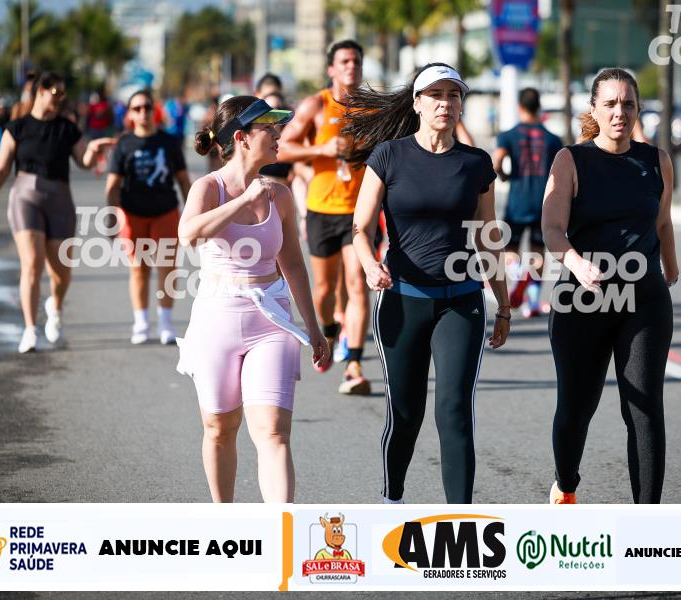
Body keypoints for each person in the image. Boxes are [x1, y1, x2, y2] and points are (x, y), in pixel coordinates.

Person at [345, 63, 511, 504]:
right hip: (403, 300)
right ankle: (393, 501)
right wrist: (369, 265)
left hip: (461, 301)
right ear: (417, 103)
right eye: (435, 95)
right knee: (406, 412)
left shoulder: (476, 163)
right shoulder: (389, 156)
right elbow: (360, 228)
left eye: (453, 95)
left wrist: (504, 304)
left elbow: (488, 237)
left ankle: (460, 520)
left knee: (454, 410)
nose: (445, 103)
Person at [177, 95, 328, 502]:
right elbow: (188, 234)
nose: (279, 135)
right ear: (241, 137)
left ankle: (280, 531)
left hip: (271, 318)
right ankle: (226, 522)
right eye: (269, 127)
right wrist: (243, 201)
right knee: (219, 428)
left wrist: (313, 328)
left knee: (274, 431)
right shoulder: (208, 188)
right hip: (217, 316)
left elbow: (292, 264)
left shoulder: (280, 194)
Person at [542, 68, 679, 505]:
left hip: (644, 299)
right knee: (576, 408)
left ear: (638, 109)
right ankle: (566, 485)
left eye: (628, 104)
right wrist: (576, 263)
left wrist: (670, 266)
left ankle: (647, 520)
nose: (620, 112)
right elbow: (552, 228)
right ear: (595, 109)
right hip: (582, 299)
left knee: (643, 408)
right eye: (611, 104)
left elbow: (662, 221)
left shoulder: (657, 160)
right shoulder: (571, 160)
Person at [0, 72, 116, 353]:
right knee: (32, 264)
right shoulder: (16, 128)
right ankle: (30, 329)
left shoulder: (67, 128)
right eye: (56, 93)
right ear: (40, 92)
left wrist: (93, 150)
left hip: (59, 199)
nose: (60, 98)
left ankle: (55, 307)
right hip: (25, 197)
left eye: (63, 93)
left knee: (61, 272)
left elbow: (84, 161)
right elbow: (1, 168)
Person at [277, 39, 372, 395]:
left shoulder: (370, 108)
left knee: (357, 283)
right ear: (331, 68)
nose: (351, 67)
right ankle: (330, 331)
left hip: (359, 212)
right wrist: (322, 149)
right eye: (344, 61)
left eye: (356, 61)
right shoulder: (316, 105)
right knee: (323, 290)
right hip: (321, 209)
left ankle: (355, 364)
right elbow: (282, 148)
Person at [106, 89, 192, 345]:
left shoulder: (169, 142)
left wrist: (193, 214)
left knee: (167, 268)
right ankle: (141, 322)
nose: (143, 112)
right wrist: (112, 218)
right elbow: (113, 185)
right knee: (139, 269)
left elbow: (183, 180)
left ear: (155, 111)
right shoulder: (123, 144)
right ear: (130, 114)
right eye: (137, 108)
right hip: (132, 213)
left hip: (165, 211)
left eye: (147, 107)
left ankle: (165, 322)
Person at [493, 87, 563, 318]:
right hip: (543, 203)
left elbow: (496, 162)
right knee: (537, 253)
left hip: (517, 203)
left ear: (520, 107)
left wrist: (504, 176)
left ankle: (519, 273)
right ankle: (532, 303)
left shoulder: (508, 135)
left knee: (509, 251)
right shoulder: (553, 139)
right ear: (539, 106)